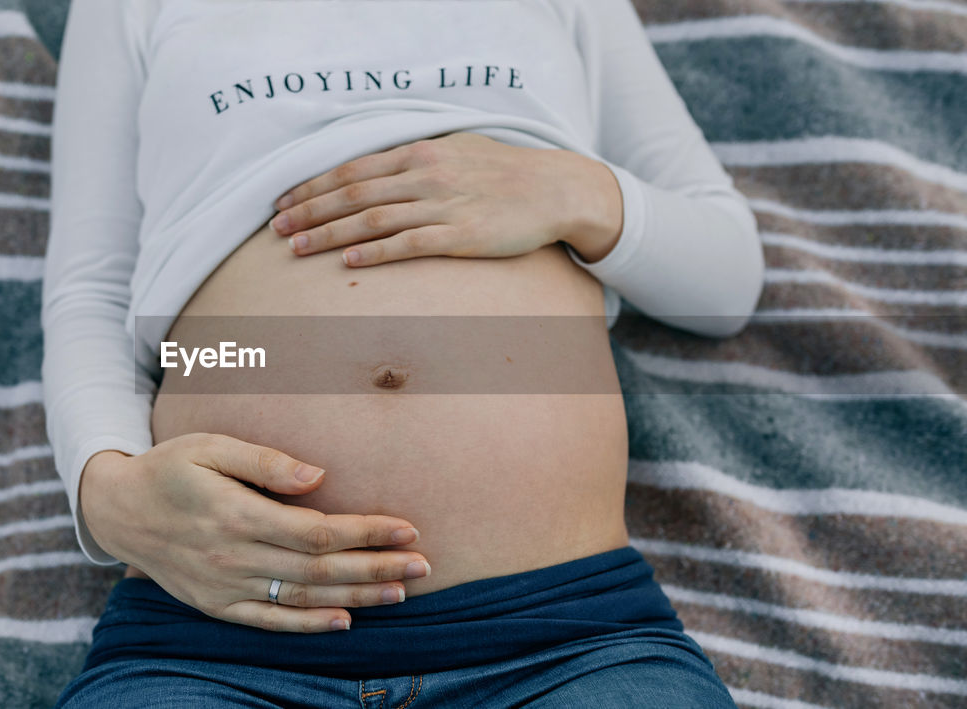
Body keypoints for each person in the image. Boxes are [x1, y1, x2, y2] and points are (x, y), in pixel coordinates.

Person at [42, 0, 764, 705]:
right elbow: (94, 294)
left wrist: (575, 191)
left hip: (565, 636)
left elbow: (726, 277)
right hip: (212, 639)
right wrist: (107, 495)